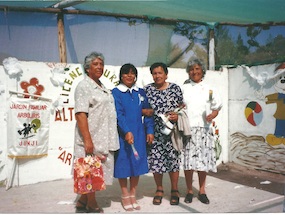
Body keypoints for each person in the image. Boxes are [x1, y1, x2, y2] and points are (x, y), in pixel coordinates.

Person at [73, 52, 120, 213]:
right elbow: (80, 114)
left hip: (103, 136)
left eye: (101, 64)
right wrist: (87, 139)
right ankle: (91, 203)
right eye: (95, 64)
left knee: (96, 168)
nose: (99, 67)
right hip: (91, 136)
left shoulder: (102, 86)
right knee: (90, 169)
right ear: (87, 68)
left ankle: (82, 200)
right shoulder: (84, 86)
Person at [112, 63, 154, 211]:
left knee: (136, 164)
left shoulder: (141, 93)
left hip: (139, 133)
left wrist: (149, 130)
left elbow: (147, 112)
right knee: (123, 164)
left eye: (132, 73)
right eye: (126, 73)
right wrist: (126, 131)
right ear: (121, 76)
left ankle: (132, 193)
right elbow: (119, 114)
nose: (129, 76)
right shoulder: (116, 92)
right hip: (123, 134)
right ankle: (124, 194)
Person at [182, 59, 222, 204]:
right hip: (188, 129)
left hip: (204, 129)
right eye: (191, 69)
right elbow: (179, 107)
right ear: (188, 72)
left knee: (202, 162)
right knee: (188, 163)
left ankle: (202, 191)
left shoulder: (209, 89)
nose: (194, 72)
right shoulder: (183, 89)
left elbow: (216, 107)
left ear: (202, 71)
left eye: (197, 69)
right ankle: (189, 191)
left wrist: (213, 115)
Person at [144, 62, 183, 206]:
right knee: (156, 162)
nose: (157, 76)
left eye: (160, 73)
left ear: (166, 74)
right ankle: (159, 189)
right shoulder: (147, 90)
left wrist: (177, 116)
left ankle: (174, 190)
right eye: (154, 73)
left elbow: (182, 108)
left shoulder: (175, 89)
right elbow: (143, 109)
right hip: (154, 133)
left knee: (173, 161)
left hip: (171, 132)